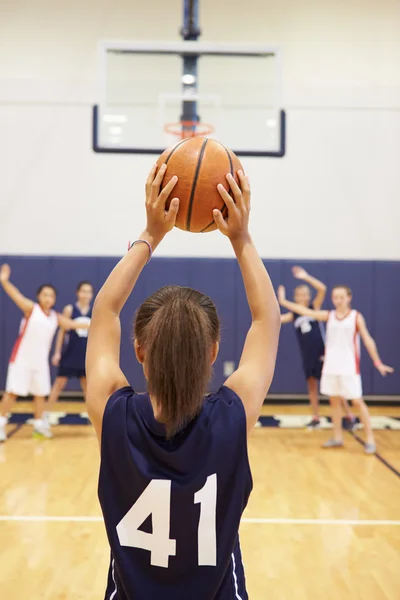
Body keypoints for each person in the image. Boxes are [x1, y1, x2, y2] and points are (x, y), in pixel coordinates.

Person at [85, 164, 280, 600]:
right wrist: (241, 238)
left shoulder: (112, 415)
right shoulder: (233, 418)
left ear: (138, 350)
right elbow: (268, 319)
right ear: (213, 352)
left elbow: (103, 313)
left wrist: (151, 233)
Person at [278, 284, 393, 453]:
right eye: (335, 297)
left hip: (349, 367)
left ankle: (370, 439)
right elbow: (305, 312)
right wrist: (283, 301)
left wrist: (378, 362)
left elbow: (368, 340)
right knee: (334, 401)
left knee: (357, 402)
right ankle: (337, 437)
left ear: (348, 298)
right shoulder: (328, 315)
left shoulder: (356, 317)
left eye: (341, 297)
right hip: (331, 366)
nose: (338, 300)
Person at [0, 265, 89, 441]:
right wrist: (3, 280)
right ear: (39, 297)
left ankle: (39, 425)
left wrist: (95, 323)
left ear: (54, 299)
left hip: (40, 363)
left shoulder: (55, 317)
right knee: (12, 392)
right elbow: (16, 295)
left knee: (40, 394)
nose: (48, 298)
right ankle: (1, 423)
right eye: (45, 295)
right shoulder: (31, 309)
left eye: (51, 295)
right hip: (21, 360)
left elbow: (72, 325)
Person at [280, 266, 355, 429]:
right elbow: (277, 320)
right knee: (312, 386)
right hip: (307, 355)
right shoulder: (294, 315)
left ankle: (349, 415)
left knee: (335, 387)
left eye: (305, 294)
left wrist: (305, 277)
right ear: (295, 297)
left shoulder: (315, 308)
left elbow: (322, 288)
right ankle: (316, 416)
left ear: (309, 296)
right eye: (299, 295)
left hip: (321, 353)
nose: (302, 297)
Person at [46, 281, 94, 420]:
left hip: (86, 354)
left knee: (87, 386)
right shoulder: (70, 309)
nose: (85, 294)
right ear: (77, 293)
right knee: (59, 383)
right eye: (83, 291)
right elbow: (62, 332)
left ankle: (92, 415)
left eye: (88, 292)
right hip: (70, 353)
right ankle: (45, 414)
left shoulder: (95, 310)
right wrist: (57, 352)